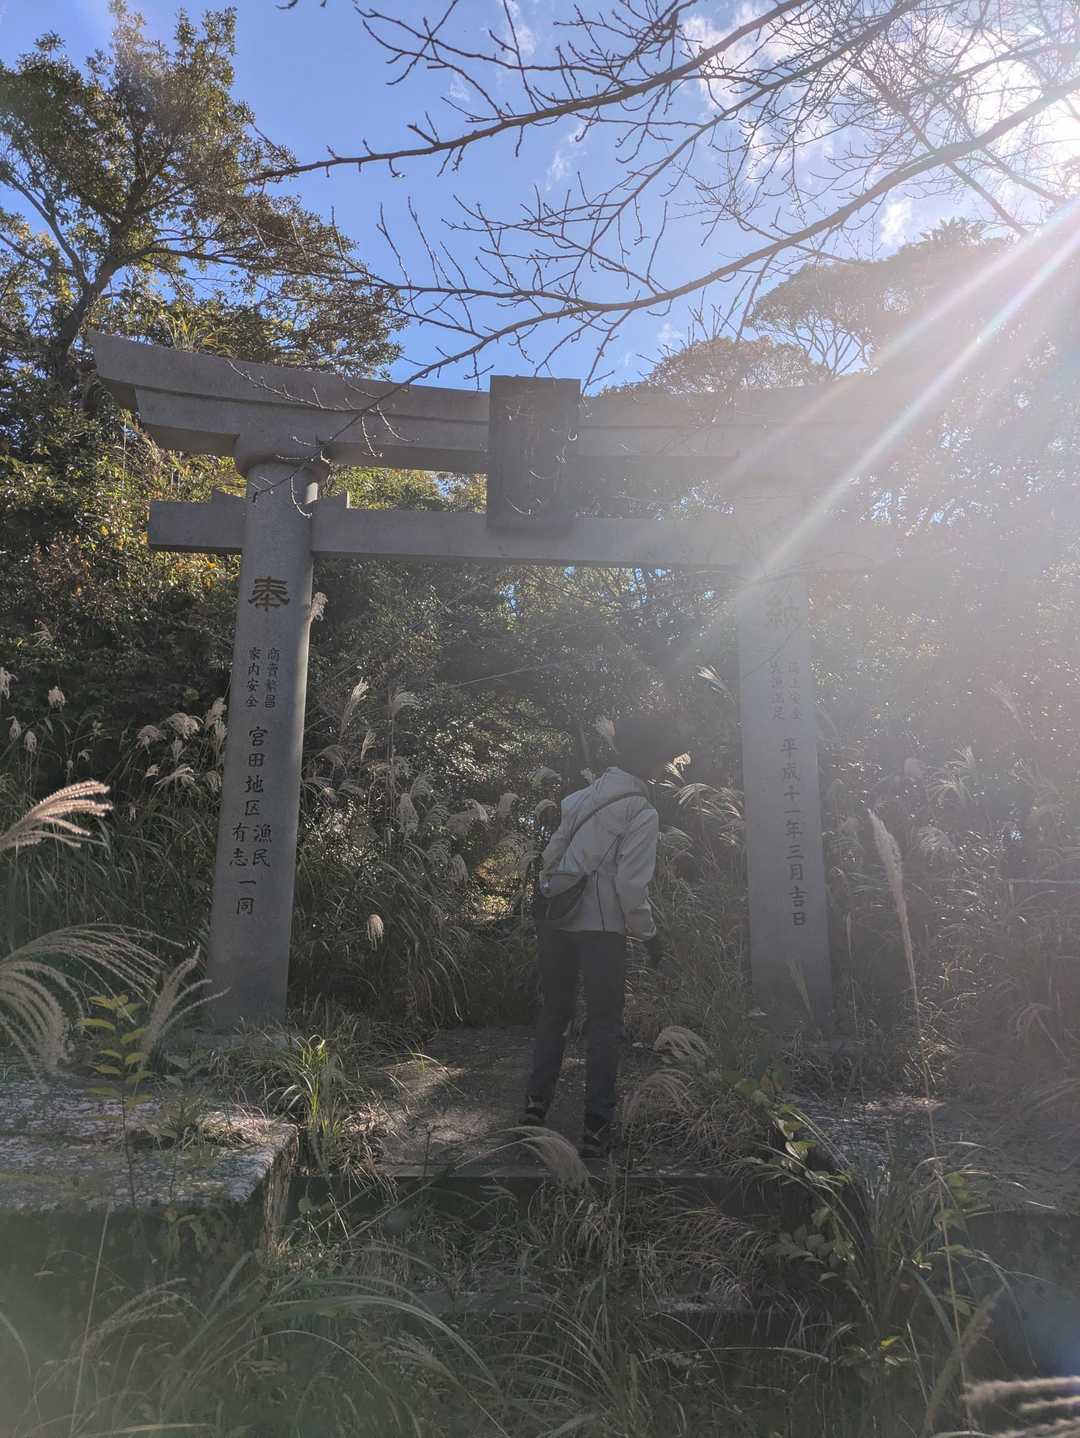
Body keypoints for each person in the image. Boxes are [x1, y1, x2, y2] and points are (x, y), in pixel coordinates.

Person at [520, 712, 679, 1159]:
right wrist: (648, 934)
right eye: (662, 759)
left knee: (554, 1013)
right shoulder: (641, 811)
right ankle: (596, 1129)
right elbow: (630, 886)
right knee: (605, 1023)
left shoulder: (581, 798)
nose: (663, 767)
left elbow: (550, 858)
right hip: (603, 929)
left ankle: (534, 1109)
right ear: (649, 760)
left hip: (557, 919)